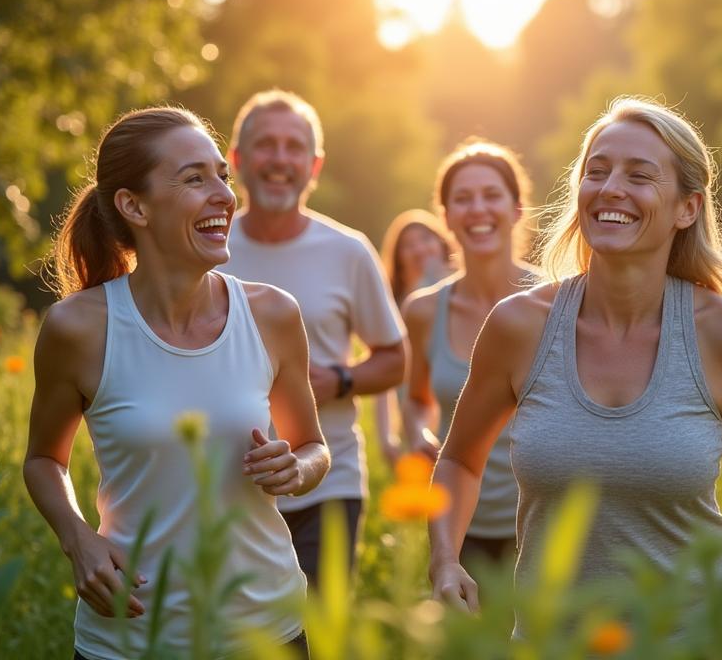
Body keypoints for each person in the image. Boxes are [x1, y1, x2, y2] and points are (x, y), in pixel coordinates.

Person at [428, 97, 722, 635]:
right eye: (597, 171)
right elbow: (459, 462)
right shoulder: (518, 326)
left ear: (686, 208)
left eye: (639, 175)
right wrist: (444, 558)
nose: (611, 187)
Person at [24, 107, 330, 659]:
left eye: (222, 176)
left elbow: (313, 447)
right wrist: (78, 539)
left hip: (264, 632)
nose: (224, 195)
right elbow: (44, 460)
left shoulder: (273, 314)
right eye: (194, 179)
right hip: (131, 635)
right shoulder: (78, 328)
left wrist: (298, 468)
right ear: (133, 205)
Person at [217, 89, 407, 593]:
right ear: (236, 159)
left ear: (314, 164)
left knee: (318, 634)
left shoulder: (348, 251)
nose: (280, 159)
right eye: (266, 145)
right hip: (223, 484)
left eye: (294, 147)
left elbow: (395, 360)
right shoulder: (207, 246)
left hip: (328, 481)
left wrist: (341, 379)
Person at [401, 139, 536, 570]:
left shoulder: (562, 297)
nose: (477, 208)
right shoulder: (423, 310)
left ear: (516, 209)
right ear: (446, 218)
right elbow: (416, 399)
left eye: (492, 195)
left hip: (547, 525)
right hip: (459, 528)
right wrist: (420, 435)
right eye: (463, 199)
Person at [374, 209, 455, 467]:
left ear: (442, 244)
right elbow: (383, 381)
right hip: (414, 416)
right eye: (408, 245)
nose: (419, 249)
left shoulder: (462, 295)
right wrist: (387, 435)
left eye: (425, 239)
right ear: (398, 259)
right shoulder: (393, 307)